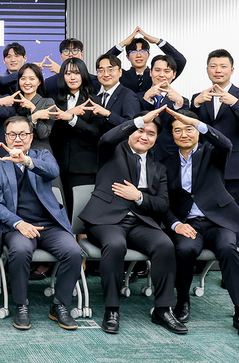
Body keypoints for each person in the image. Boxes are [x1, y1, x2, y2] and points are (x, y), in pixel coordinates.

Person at [79, 106, 186, 335]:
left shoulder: (159, 168)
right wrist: (140, 120)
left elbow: (162, 204)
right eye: (140, 131)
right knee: (115, 244)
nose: (144, 136)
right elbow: (108, 137)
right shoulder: (112, 150)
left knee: (165, 245)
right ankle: (112, 309)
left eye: (151, 134)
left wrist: (138, 196)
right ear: (132, 131)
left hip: (139, 222)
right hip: (106, 221)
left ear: (156, 140)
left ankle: (163, 309)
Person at [161, 108, 239, 340]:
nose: (184, 134)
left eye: (189, 129)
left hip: (218, 221)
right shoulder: (165, 163)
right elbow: (162, 202)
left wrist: (197, 123)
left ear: (197, 130)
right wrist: (176, 224)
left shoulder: (212, 152)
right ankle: (183, 301)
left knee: (228, 249)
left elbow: (226, 143)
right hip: (188, 223)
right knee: (184, 250)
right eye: (177, 130)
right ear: (172, 134)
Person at [0, 116, 82, 331]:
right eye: (12, 134)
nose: (17, 139)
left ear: (31, 137)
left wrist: (26, 161)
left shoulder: (42, 156)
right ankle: (21, 305)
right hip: (16, 227)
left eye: (23, 134)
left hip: (49, 225)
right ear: (5, 138)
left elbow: (53, 171)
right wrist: (18, 223)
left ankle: (60, 305)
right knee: (20, 251)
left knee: (74, 252)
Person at [190, 49, 239, 217]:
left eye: (223, 66)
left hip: (233, 164)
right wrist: (195, 105)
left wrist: (235, 104)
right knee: (204, 212)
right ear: (207, 69)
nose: (218, 70)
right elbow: (188, 129)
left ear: (232, 70)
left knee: (232, 215)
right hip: (204, 163)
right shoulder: (198, 97)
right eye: (213, 66)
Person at [48, 58, 103, 218]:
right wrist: (67, 115)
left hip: (84, 166)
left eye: (76, 73)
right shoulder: (53, 101)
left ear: (83, 75)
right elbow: (50, 132)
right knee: (61, 211)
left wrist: (72, 119)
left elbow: (96, 132)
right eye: (68, 73)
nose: (72, 77)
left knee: (82, 214)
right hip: (58, 165)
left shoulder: (94, 101)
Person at [107, 26, 187, 94]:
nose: (139, 55)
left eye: (142, 51)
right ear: (128, 56)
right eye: (134, 52)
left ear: (148, 55)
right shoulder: (121, 75)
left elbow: (180, 60)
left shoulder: (157, 75)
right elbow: (104, 62)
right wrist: (123, 44)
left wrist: (158, 41)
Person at [140, 54, 189, 161]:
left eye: (167, 71)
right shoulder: (138, 97)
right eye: (157, 70)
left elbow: (184, 127)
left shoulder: (182, 101)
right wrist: (147, 98)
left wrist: (178, 104)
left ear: (174, 74)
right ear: (150, 72)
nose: (161, 75)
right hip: (141, 152)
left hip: (169, 155)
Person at [10, 63, 56, 154]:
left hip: (40, 154)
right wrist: (34, 117)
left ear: (39, 82)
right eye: (23, 78)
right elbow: (14, 130)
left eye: (32, 79)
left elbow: (43, 133)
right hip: (17, 153)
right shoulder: (14, 103)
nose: (27, 82)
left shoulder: (47, 103)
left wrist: (33, 108)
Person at [92, 53, 141, 134]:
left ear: (120, 72)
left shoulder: (128, 95)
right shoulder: (98, 98)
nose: (106, 74)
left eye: (110, 69)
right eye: (101, 70)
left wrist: (109, 114)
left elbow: (132, 126)